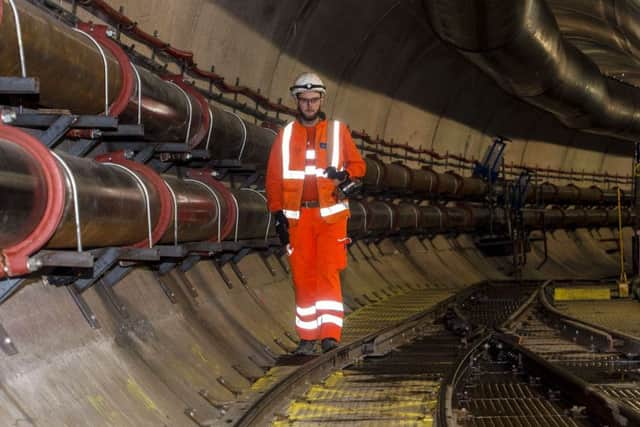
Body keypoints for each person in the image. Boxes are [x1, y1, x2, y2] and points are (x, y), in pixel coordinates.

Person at [265, 72, 366, 354]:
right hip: (298, 219)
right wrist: (277, 214)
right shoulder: (285, 136)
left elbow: (359, 167)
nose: (309, 105)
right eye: (304, 100)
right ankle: (308, 337)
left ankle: (330, 335)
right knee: (302, 276)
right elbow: (273, 178)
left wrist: (345, 174)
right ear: (297, 101)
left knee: (328, 273)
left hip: (331, 217)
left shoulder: (337, 132)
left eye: (314, 100)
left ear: (322, 100)